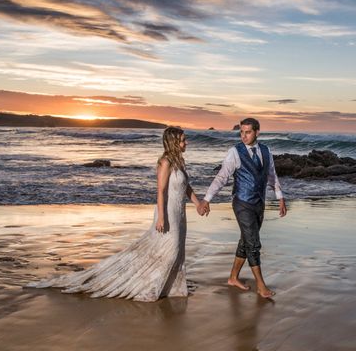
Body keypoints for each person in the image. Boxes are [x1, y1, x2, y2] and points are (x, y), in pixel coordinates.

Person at [26, 126, 205, 302]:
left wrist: (197, 203)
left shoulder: (179, 162)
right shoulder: (165, 162)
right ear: (174, 142)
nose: (186, 143)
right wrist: (161, 217)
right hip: (167, 212)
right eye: (183, 140)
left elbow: (185, 187)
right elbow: (160, 191)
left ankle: (170, 286)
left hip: (179, 213)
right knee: (169, 250)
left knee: (176, 251)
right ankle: (151, 285)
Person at [199, 118, 287, 298]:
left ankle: (233, 277)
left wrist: (280, 198)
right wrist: (207, 199)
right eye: (241, 132)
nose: (244, 136)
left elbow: (272, 175)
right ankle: (261, 286)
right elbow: (222, 177)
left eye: (247, 132)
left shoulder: (266, 150)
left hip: (259, 203)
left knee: (246, 241)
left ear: (257, 132)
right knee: (253, 243)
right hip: (241, 202)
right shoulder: (235, 152)